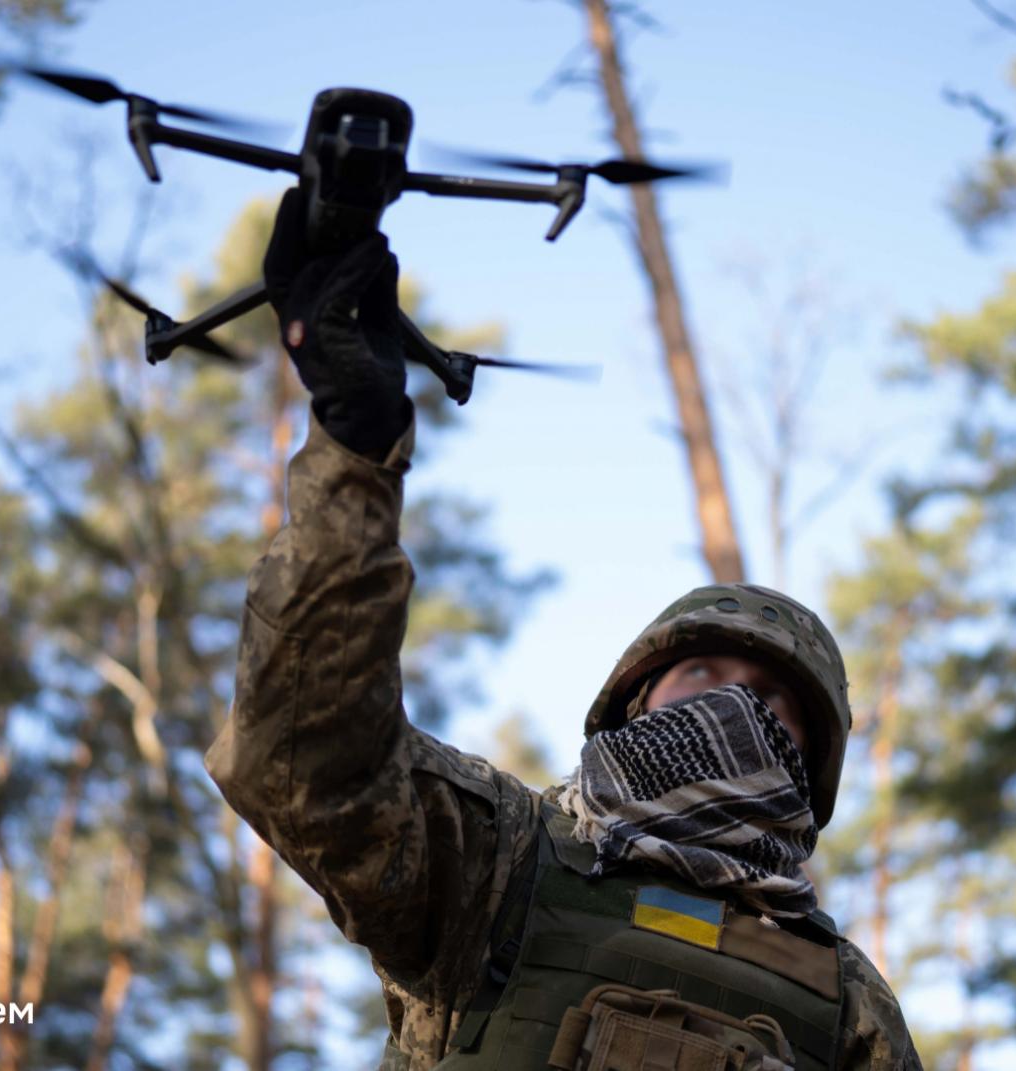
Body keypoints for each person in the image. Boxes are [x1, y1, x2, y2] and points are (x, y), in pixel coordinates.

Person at [206, 191, 921, 1070]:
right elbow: (303, 758)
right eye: (701, 673)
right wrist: (356, 447)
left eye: (771, 697)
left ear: (811, 765)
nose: (734, 702)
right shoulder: (499, 861)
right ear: (635, 700)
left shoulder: (843, 992)